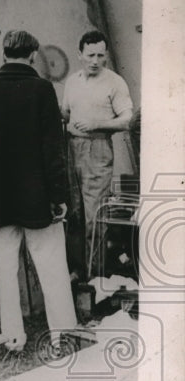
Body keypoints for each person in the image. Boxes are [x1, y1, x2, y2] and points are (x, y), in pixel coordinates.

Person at [0, 29, 77, 351]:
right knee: (52, 267)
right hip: (37, 198)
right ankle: (63, 335)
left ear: (3, 55)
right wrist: (59, 196)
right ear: (32, 56)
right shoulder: (42, 90)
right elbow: (53, 152)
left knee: (6, 270)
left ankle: (13, 337)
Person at [61, 30, 135, 279]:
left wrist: (97, 123)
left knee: (95, 215)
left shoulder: (115, 82)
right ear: (79, 54)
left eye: (100, 56)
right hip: (72, 148)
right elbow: (66, 113)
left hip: (98, 148)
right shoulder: (72, 81)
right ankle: (77, 270)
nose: (95, 61)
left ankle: (94, 277)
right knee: (74, 212)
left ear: (106, 56)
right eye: (90, 55)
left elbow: (127, 120)